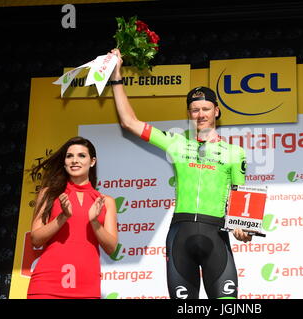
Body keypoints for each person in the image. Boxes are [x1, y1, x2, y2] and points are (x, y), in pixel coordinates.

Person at [108, 48, 251, 299]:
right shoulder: (175, 143)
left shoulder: (234, 152)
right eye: (195, 110)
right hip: (179, 238)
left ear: (216, 111)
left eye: (206, 109)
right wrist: (116, 75)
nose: (201, 114)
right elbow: (129, 122)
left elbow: (242, 197)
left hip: (216, 236)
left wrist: (244, 228)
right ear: (189, 114)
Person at [27, 136, 118, 299]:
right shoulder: (48, 194)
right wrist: (63, 217)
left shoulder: (106, 201)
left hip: (87, 287)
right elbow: (35, 239)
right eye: (69, 156)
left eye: (81, 155)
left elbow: (111, 248)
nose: (74, 160)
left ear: (92, 161)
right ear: (64, 162)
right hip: (47, 284)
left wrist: (95, 222)